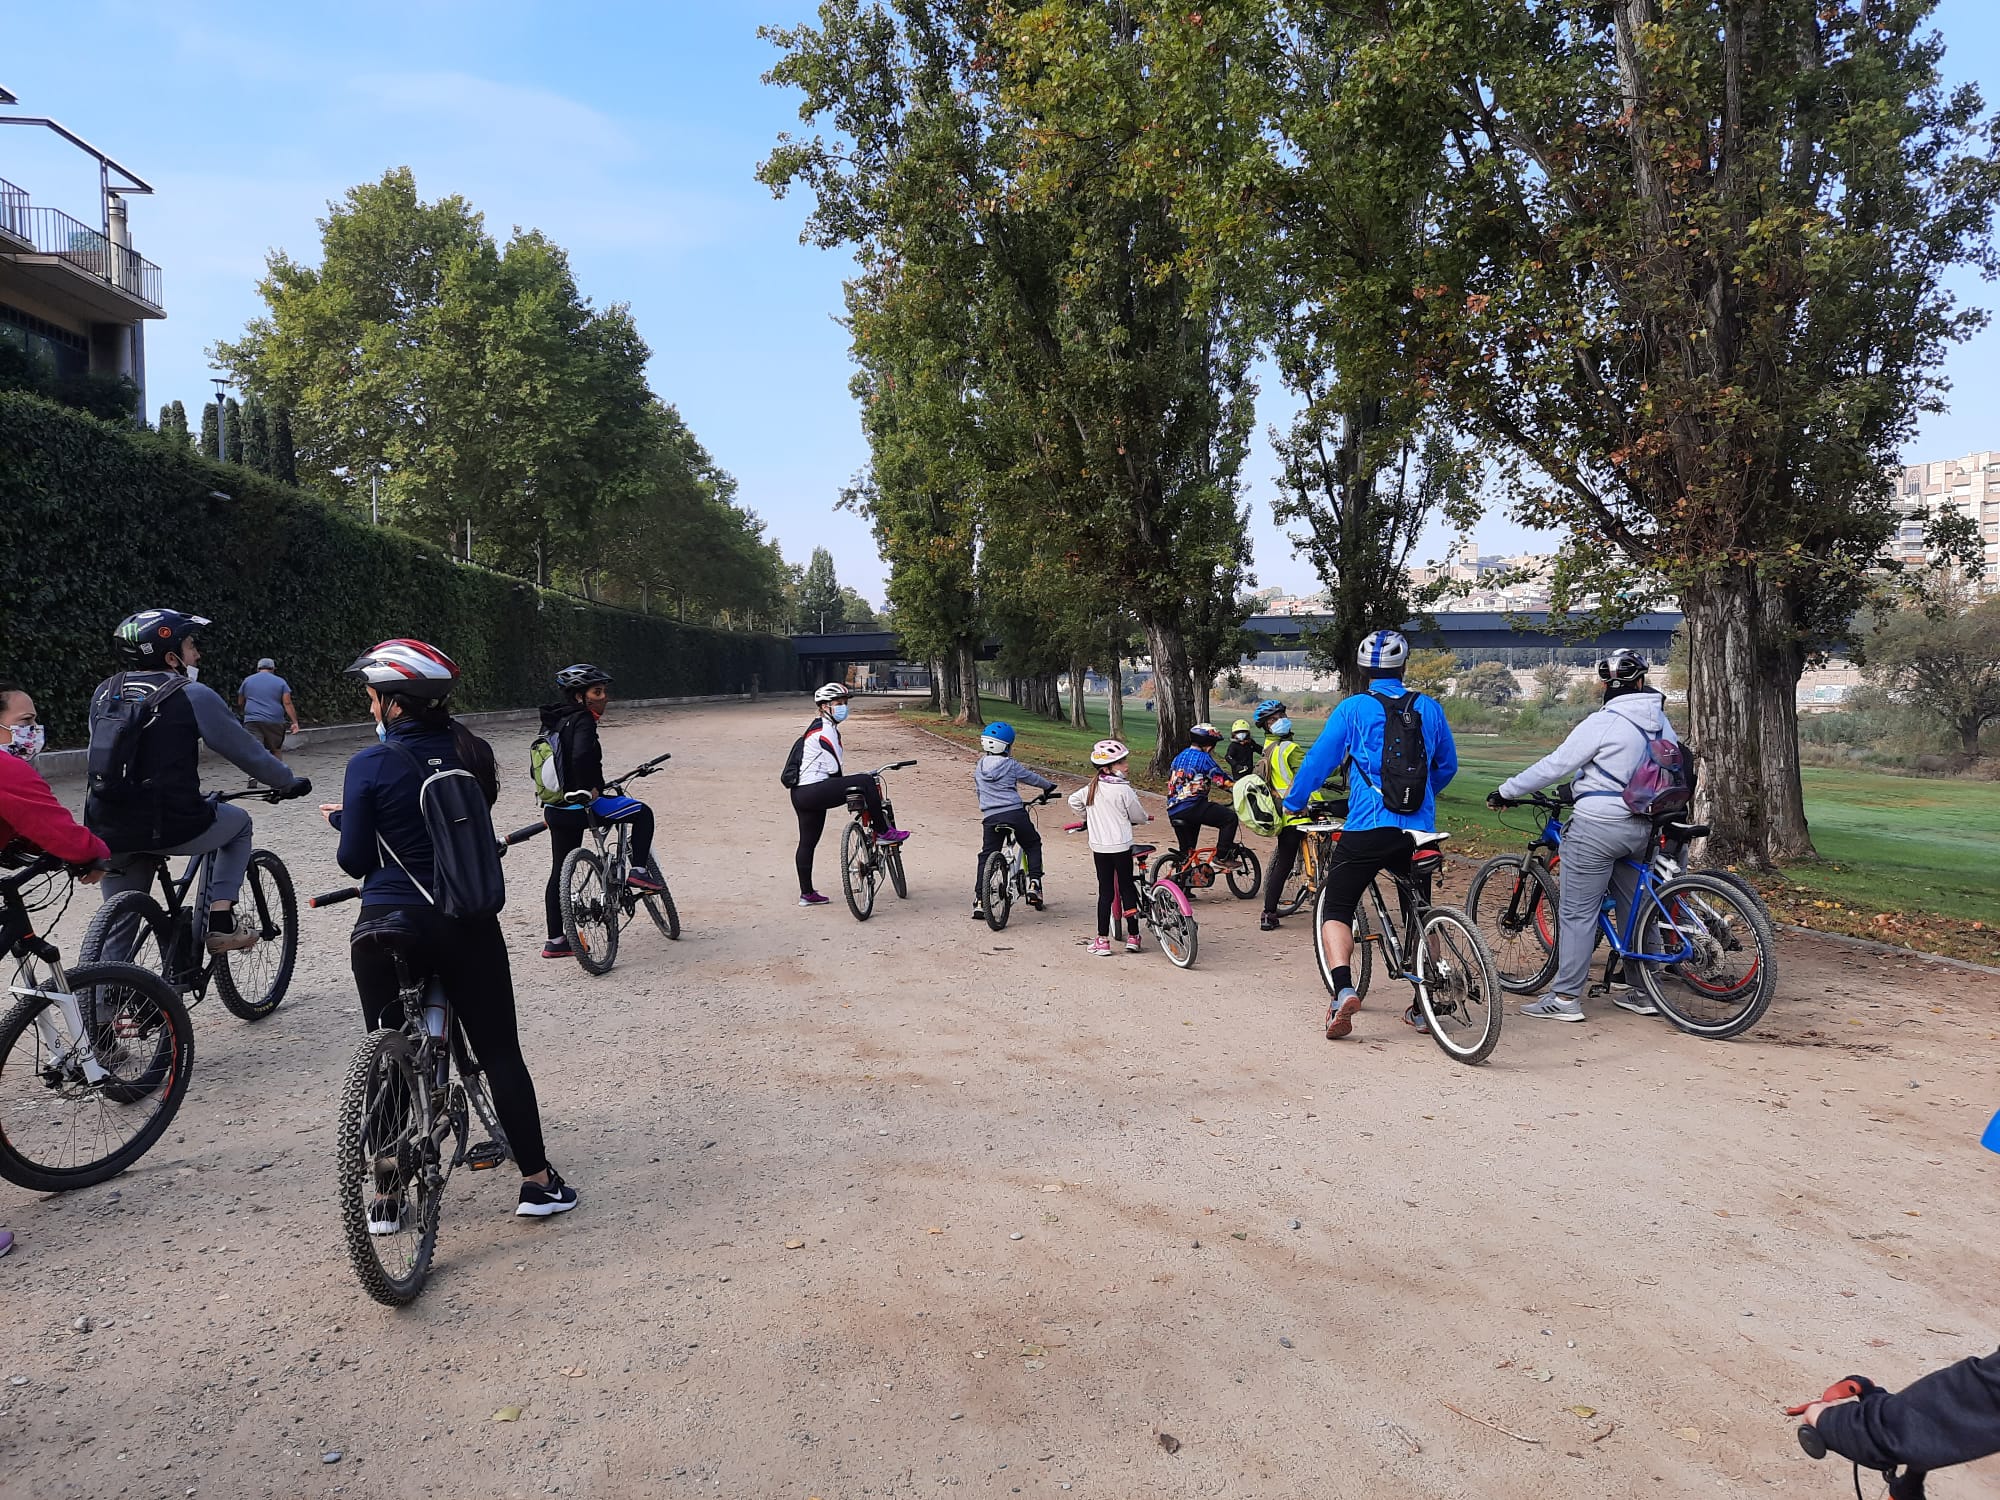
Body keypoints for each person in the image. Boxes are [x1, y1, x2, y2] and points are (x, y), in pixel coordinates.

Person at [322, 638, 577, 1222]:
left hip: (386, 924)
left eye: (372, 697)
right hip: (464, 919)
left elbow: (354, 860)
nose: (369, 706)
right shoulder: (472, 750)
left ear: (394, 703)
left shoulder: (368, 764)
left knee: (389, 1050)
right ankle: (538, 1184)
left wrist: (349, 820)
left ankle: (386, 1198)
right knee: (500, 1051)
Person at [86, 609, 310, 954]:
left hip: (107, 824)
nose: (198, 654)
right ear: (171, 657)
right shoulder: (191, 693)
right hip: (170, 822)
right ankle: (220, 921)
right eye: (191, 646)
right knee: (238, 823)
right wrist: (285, 780)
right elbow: (245, 751)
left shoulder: (105, 691)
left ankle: (103, 987)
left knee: (118, 927)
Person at [1281, 630, 1458, 1038]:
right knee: (1421, 909)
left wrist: (1293, 802)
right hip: (1419, 831)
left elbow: (1318, 761)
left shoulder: (1353, 709)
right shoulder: (1429, 708)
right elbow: (1447, 766)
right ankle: (1427, 1003)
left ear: (1363, 670)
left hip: (1368, 825)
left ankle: (1343, 990)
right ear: (1404, 666)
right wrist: (1421, 799)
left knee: (1337, 906)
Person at [1488, 648, 1677, 1023]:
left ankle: (1564, 999)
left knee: (1577, 912)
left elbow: (1555, 765)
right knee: (1637, 911)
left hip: (1598, 827)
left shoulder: (1604, 721)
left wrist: (1507, 790)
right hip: (1644, 826)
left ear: (1606, 685)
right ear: (1641, 682)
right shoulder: (1661, 723)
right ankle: (1645, 991)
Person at [0, 681, 112, 1263]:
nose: (32, 729)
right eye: (24, 720)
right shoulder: (6, 768)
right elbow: (57, 828)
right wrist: (91, 854)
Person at [535, 664, 663, 961]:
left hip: (556, 808)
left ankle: (556, 941)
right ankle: (639, 871)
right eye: (597, 692)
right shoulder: (582, 720)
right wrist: (589, 788)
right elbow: (581, 755)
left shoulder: (552, 722)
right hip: (582, 806)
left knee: (559, 870)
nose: (604, 697)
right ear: (579, 696)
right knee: (642, 813)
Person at [790, 683, 909, 907]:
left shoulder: (814, 728)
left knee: (807, 843)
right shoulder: (826, 730)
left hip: (800, 793)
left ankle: (807, 894)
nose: (843, 707)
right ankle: (883, 831)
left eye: (845, 703)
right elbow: (835, 771)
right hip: (814, 790)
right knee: (865, 781)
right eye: (839, 703)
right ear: (824, 706)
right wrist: (856, 787)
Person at [1254, 698, 1346, 933]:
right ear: (1265, 726)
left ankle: (1268, 913)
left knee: (1283, 864)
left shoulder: (1268, 747)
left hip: (1285, 814)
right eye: (1273, 720)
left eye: (1281, 716)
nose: (1280, 721)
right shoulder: (1289, 748)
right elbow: (1312, 771)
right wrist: (1342, 763)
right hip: (1305, 810)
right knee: (1336, 852)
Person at [1068, 739, 1150, 955]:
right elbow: (1138, 815)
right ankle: (1133, 936)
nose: (1126, 766)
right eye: (1121, 763)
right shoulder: (1123, 790)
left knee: (1105, 893)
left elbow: (1073, 801)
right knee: (1126, 888)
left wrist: (1088, 817)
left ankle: (1102, 940)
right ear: (1107, 768)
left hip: (1100, 848)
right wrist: (1143, 819)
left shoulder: (1091, 788)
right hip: (1121, 847)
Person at [971, 721, 1055, 920]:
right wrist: (1048, 787)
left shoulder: (980, 766)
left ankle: (980, 901)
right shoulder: (1010, 765)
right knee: (1032, 844)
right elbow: (1032, 778)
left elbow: (979, 791)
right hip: (1014, 813)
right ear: (1007, 746)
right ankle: (1034, 883)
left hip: (991, 817)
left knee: (987, 855)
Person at [1166, 722, 1242, 866]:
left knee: (1187, 853)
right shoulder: (1203, 758)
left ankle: (1183, 875)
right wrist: (1239, 788)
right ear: (1208, 744)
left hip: (1174, 808)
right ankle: (1222, 856)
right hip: (1193, 806)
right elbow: (1222, 781)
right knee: (1230, 818)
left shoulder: (1179, 756)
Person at [236, 657, 301, 771]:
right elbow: (287, 702)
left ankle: (254, 774)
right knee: (275, 749)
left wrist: (246, 711)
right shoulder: (280, 682)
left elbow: (240, 702)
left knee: (255, 749)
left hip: (252, 720)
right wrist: (294, 722)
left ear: (258, 669)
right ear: (273, 669)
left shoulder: (247, 680)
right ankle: (277, 775)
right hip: (274, 721)